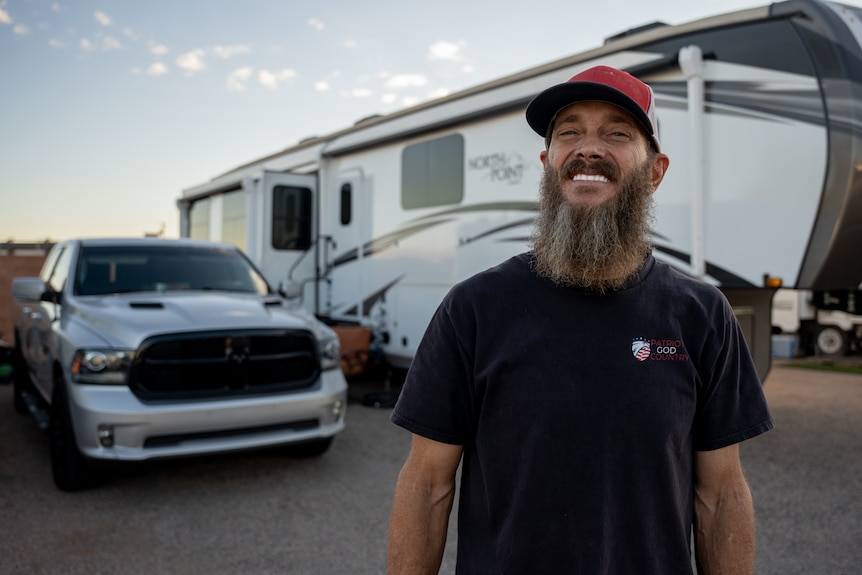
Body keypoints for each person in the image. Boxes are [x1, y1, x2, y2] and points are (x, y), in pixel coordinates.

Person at [386, 65, 774, 574]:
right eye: (570, 132)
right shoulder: (474, 308)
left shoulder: (702, 315)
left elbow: (721, 493)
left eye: (617, 133)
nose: (589, 149)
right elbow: (427, 485)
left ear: (654, 171)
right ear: (549, 164)